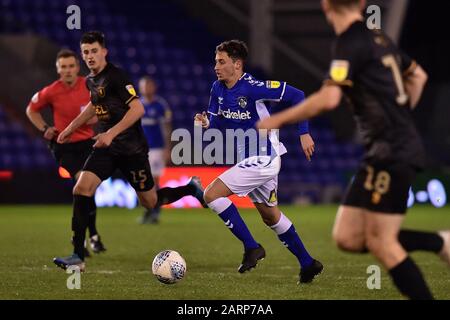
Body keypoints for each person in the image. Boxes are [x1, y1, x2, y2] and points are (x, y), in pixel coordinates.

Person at [257, 0, 450, 299]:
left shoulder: (349, 42)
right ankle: (440, 243)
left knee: (382, 244)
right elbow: (418, 76)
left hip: (393, 151)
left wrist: (277, 119)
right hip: (385, 149)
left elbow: (329, 99)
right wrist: (401, 116)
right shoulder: (378, 37)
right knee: (347, 237)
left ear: (324, 6)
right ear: (361, 3)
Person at [53, 31, 206, 271]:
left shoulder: (116, 76)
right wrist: (71, 127)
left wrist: (111, 133)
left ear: (104, 51)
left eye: (94, 51)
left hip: (131, 149)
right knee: (81, 188)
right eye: (86, 52)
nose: (90, 56)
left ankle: (191, 188)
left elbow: (137, 109)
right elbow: (95, 106)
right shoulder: (90, 81)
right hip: (105, 148)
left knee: (149, 201)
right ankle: (77, 255)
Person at [195, 40, 323, 284]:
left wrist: (303, 132)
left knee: (210, 194)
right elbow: (216, 121)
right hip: (250, 160)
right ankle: (308, 264)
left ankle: (252, 247)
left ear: (237, 64)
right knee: (271, 216)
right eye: (215, 62)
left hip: (265, 158)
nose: (216, 67)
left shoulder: (254, 88)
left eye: (221, 62)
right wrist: (205, 123)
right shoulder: (217, 88)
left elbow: (299, 96)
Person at [26, 49, 106, 257]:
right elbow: (31, 109)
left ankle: (92, 234)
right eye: (63, 67)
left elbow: (101, 109)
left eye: (71, 66)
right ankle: (84, 237)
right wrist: (45, 129)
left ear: (77, 68)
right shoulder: (51, 91)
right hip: (65, 146)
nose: (68, 70)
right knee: (83, 183)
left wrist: (94, 120)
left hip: (87, 144)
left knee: (88, 190)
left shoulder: (89, 85)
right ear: (58, 69)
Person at [138, 76, 172, 224]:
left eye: (149, 85)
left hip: (157, 149)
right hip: (140, 150)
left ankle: (155, 212)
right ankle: (148, 211)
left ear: (154, 87)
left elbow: (167, 128)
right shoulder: (137, 105)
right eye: (144, 86)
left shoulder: (160, 105)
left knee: (154, 182)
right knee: (143, 183)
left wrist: (168, 148)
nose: (146, 88)